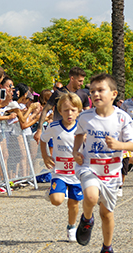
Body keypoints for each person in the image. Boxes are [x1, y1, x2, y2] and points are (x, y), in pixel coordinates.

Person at [72, 73, 133, 253]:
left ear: (113, 94)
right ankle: (86, 220)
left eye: (101, 90)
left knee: (106, 213)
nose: (95, 94)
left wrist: (119, 145)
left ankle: (107, 249)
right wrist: (77, 151)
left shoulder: (122, 118)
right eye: (92, 91)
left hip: (111, 172)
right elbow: (79, 134)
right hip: (89, 167)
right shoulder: (85, 116)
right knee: (91, 197)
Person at [40, 92, 83, 242]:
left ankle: (72, 227)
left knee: (73, 203)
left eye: (73, 110)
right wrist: (45, 156)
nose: (69, 113)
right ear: (59, 111)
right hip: (59, 172)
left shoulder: (83, 128)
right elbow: (43, 140)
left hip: (76, 173)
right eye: (65, 110)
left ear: (78, 111)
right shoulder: (54, 127)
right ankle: (52, 191)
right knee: (57, 200)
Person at [34, 67, 90, 143]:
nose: (82, 83)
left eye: (82, 81)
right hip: (59, 134)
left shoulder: (83, 94)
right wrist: (39, 130)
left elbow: (88, 115)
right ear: (72, 79)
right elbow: (45, 110)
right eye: (80, 81)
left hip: (76, 134)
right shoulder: (58, 93)